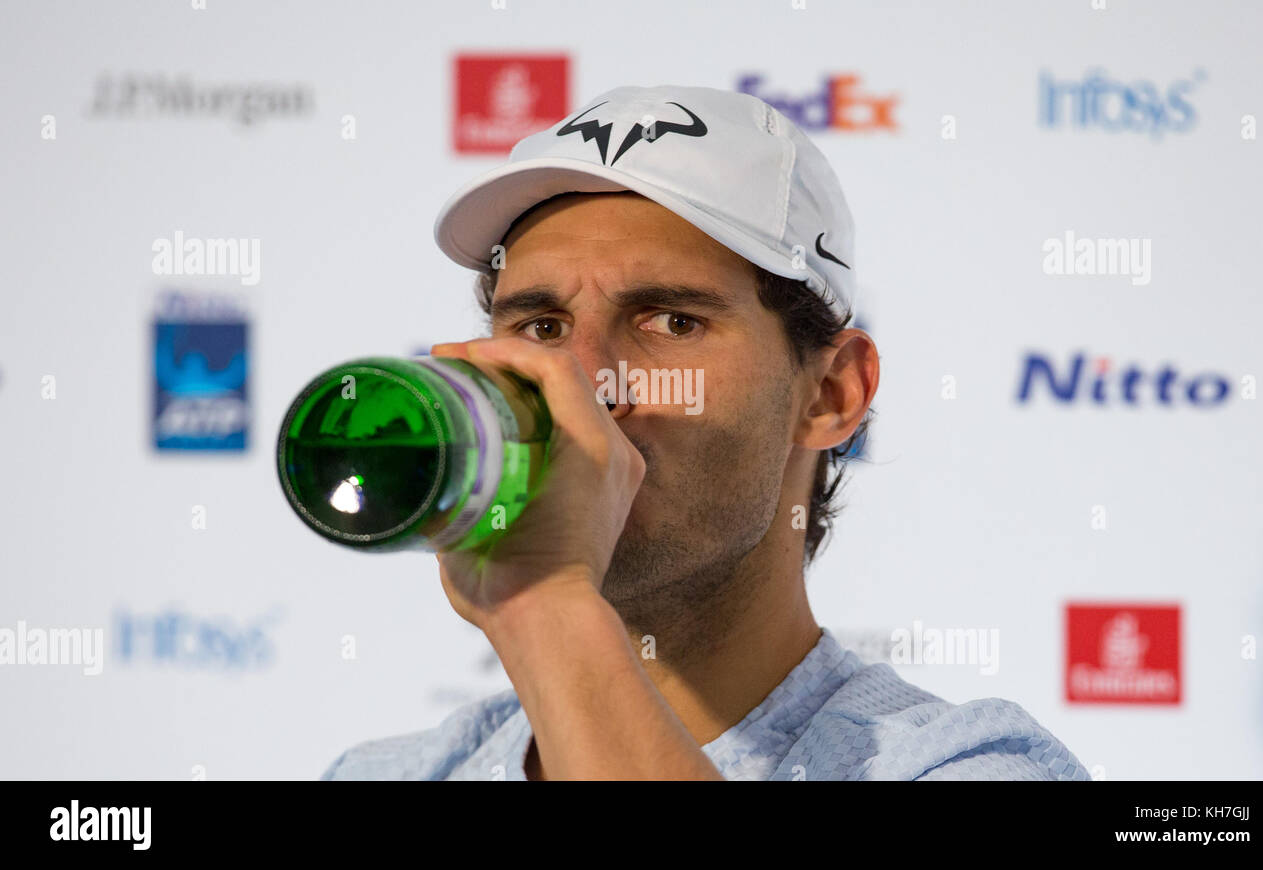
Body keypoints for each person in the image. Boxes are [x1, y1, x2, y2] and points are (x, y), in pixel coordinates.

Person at [322, 84, 1089, 781]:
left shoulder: (958, 768)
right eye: (542, 326)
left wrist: (545, 604)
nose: (589, 385)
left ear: (830, 393)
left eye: (672, 321)